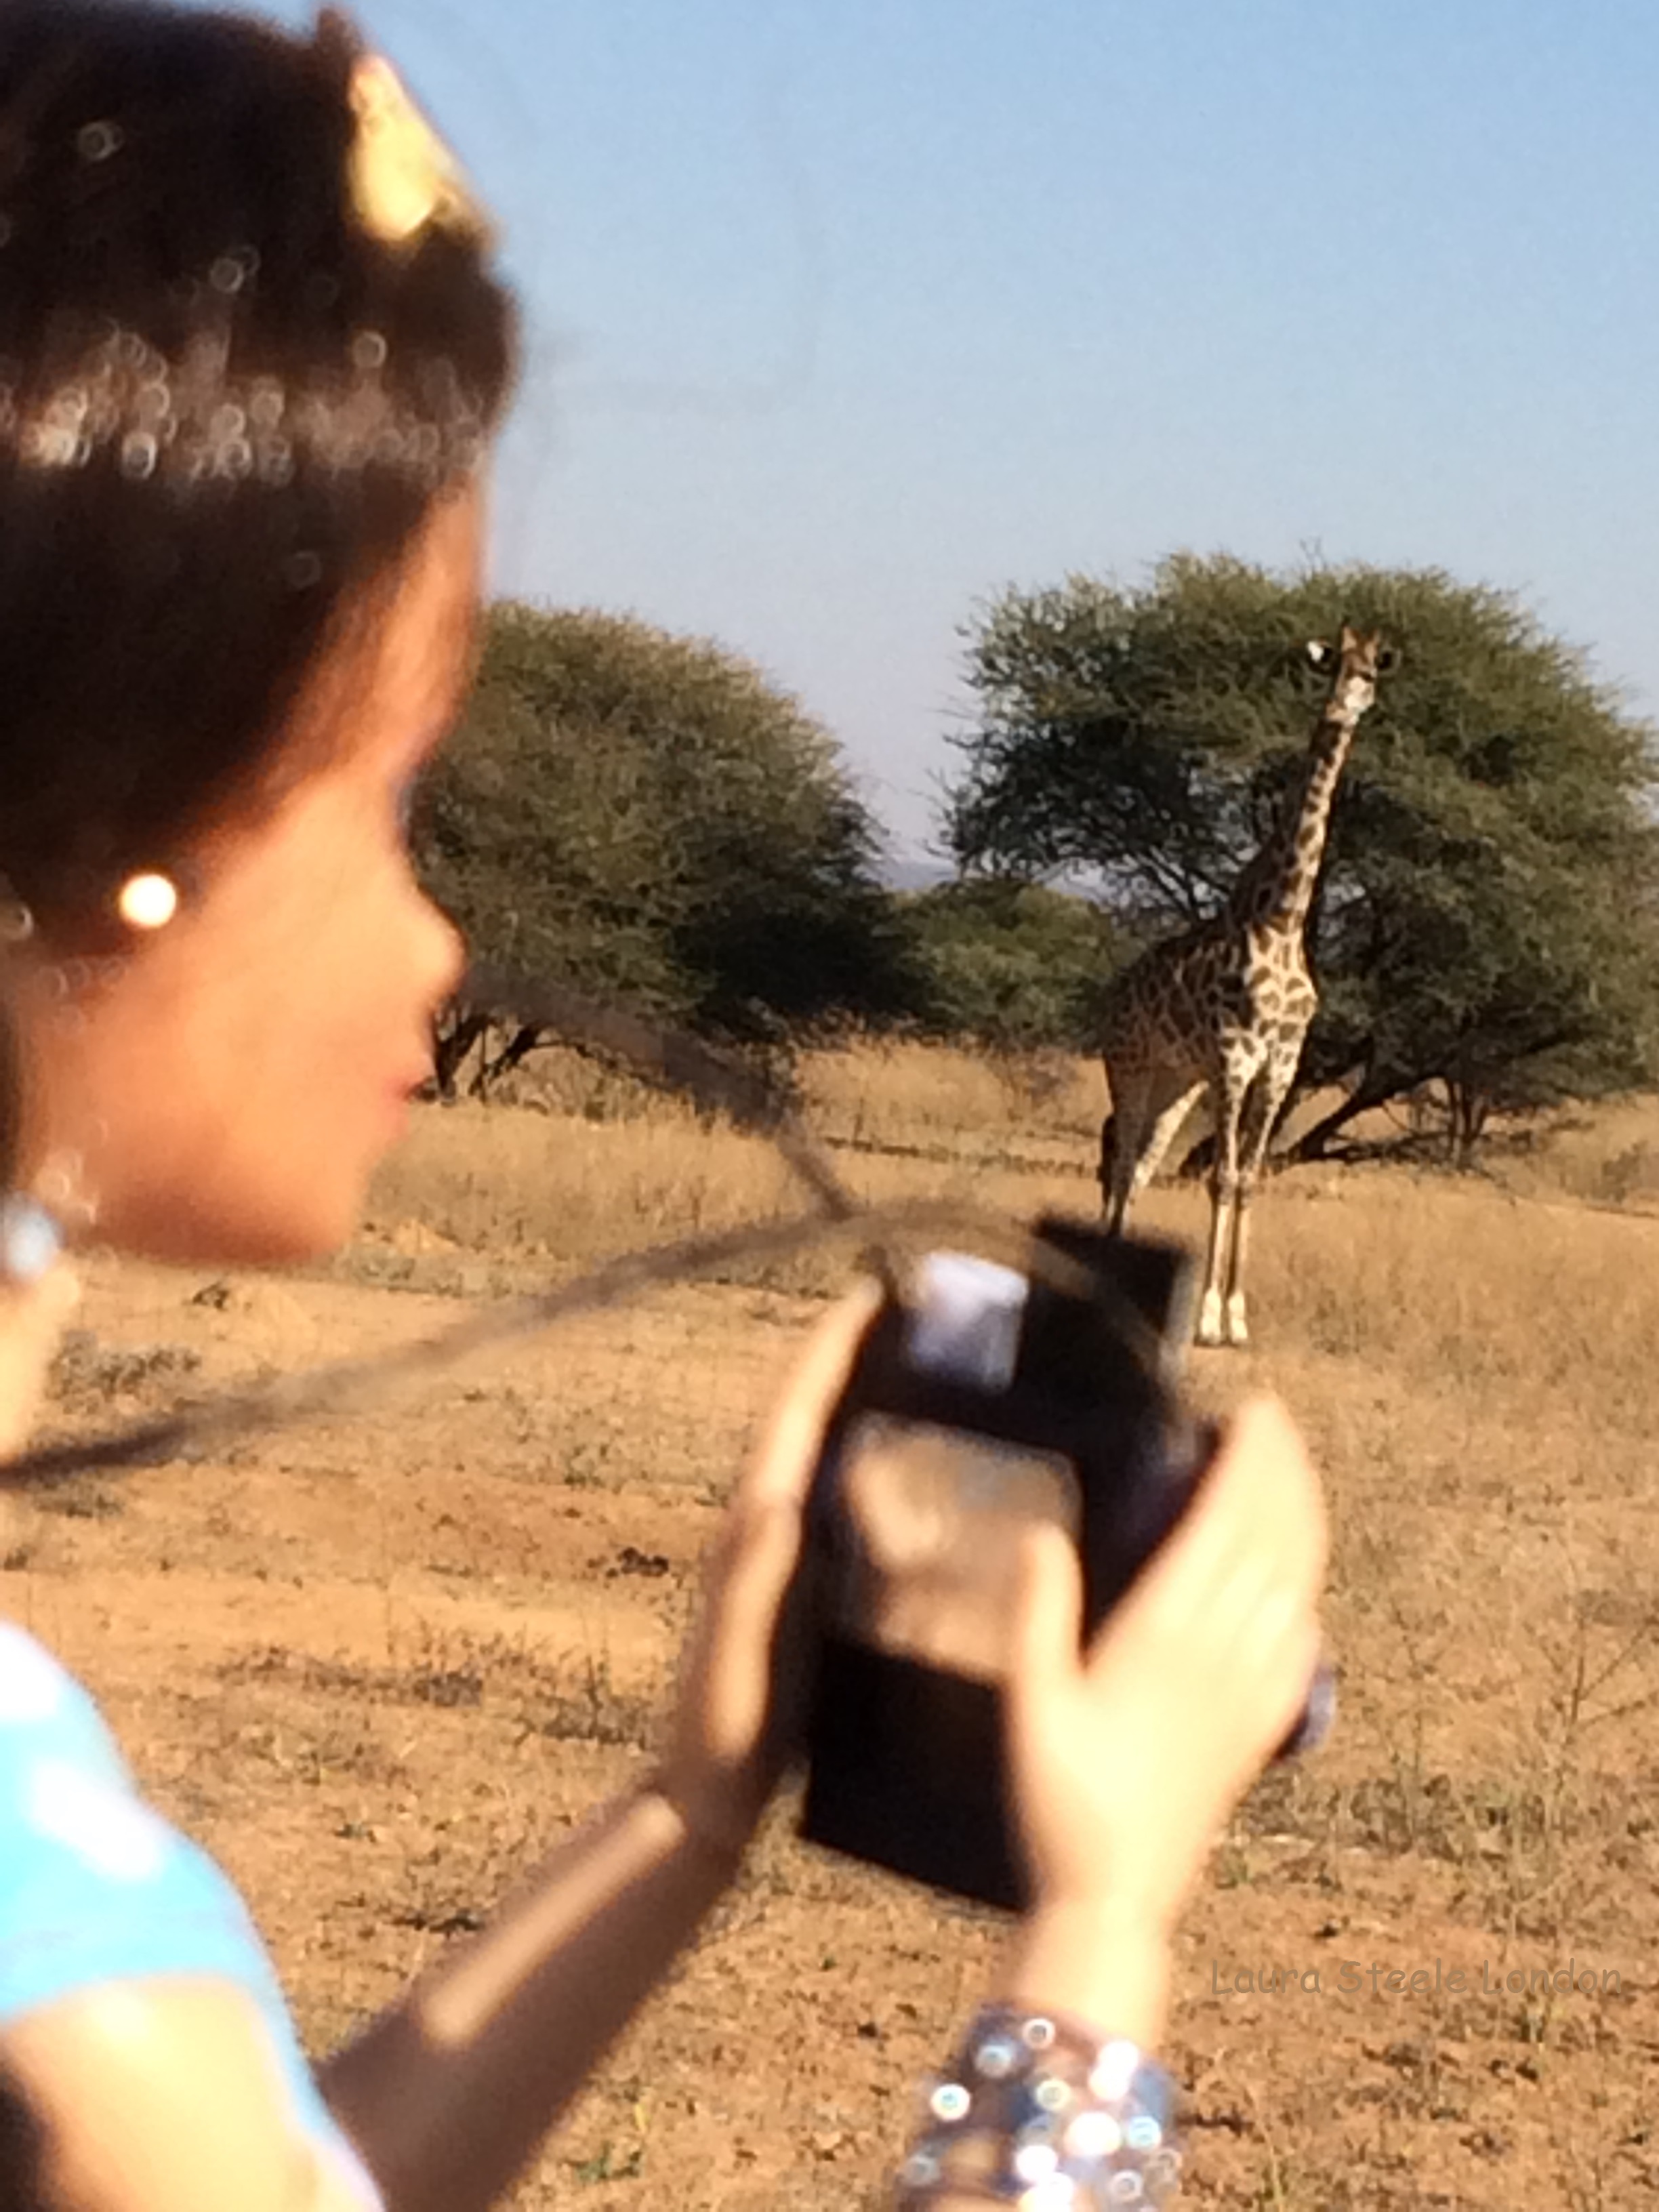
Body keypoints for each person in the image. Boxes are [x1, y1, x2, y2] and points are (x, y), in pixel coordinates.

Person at [0, 5, 1328, 2207]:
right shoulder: (85, 2032)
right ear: (101, 823)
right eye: (386, 789)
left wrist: (688, 1812)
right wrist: (1100, 1938)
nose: (438, 940)